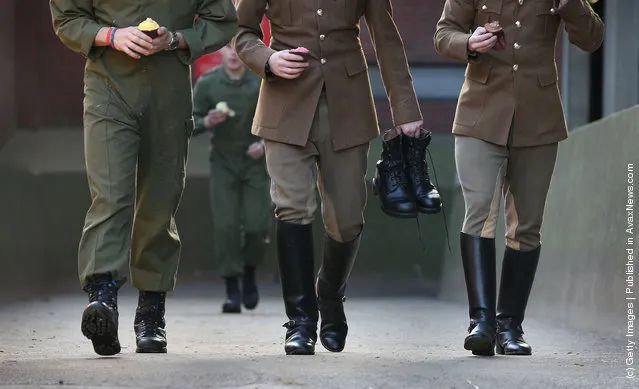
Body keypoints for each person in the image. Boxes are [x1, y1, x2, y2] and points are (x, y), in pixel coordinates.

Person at [233, 0, 431, 355]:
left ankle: (329, 295)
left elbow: (386, 39)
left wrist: (406, 110)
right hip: (284, 104)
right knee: (292, 207)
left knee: (348, 218)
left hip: (348, 106)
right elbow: (241, 31)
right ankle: (301, 321)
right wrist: (268, 60)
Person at [49, 0, 237, 356]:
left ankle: (151, 311)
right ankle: (103, 299)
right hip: (108, 88)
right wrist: (112, 35)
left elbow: (221, 19)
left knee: (159, 200)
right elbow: (67, 16)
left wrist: (176, 39)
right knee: (110, 194)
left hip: (169, 93)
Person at [434, 0, 604, 356]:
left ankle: (510, 325)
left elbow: (591, 39)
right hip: (480, 113)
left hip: (538, 117)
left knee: (526, 225)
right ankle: (481, 321)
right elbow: (442, 34)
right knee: (479, 211)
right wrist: (469, 42)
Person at [192, 43, 272, 314]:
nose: (233, 54)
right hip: (223, 161)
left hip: (255, 162)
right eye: (228, 47)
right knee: (225, 226)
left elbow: (279, 119)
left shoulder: (261, 82)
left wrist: (263, 144)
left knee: (256, 226)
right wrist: (206, 122)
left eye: (238, 48)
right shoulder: (208, 83)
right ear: (221, 52)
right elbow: (188, 122)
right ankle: (231, 289)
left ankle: (249, 272)